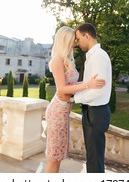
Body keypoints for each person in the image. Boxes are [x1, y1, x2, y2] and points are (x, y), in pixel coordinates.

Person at [45, 26, 106, 173]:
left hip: (64, 110)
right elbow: (62, 89)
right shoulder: (56, 60)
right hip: (57, 110)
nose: (76, 42)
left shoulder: (67, 59)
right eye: (74, 39)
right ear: (65, 39)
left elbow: (70, 85)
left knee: (59, 155)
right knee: (54, 156)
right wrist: (87, 84)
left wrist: (88, 84)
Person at [73, 23, 112, 173]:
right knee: (92, 158)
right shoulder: (93, 56)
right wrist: (74, 88)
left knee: (95, 161)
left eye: (78, 39)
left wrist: (74, 99)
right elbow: (90, 85)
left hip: (96, 113)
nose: (77, 43)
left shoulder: (98, 57)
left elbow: (97, 92)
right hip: (92, 112)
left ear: (86, 36)